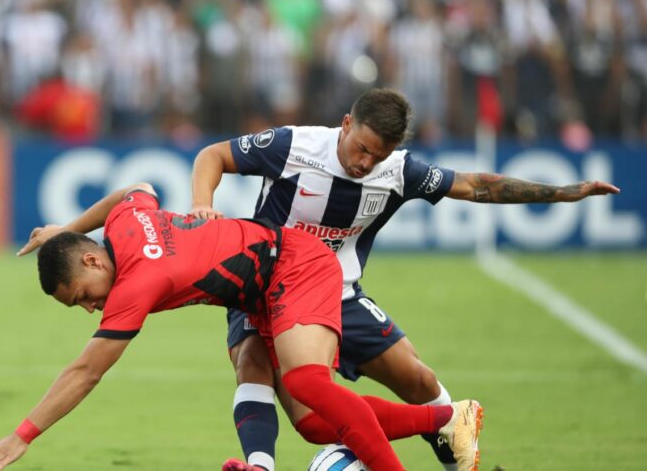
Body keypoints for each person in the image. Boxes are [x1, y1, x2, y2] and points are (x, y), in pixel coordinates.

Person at [190, 89, 620, 471]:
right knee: (259, 367)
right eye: (362, 148)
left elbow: (476, 186)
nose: (365, 163)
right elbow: (213, 156)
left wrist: (561, 192)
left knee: (418, 380)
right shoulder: (294, 146)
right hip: (268, 289)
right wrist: (201, 206)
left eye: (377, 156)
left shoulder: (398, 171)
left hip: (339, 294)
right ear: (346, 124)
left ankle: (454, 442)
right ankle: (259, 466)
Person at [0, 183, 483, 471]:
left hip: (295, 264)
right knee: (313, 424)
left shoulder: (136, 285)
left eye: (81, 297)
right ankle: (445, 418)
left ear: (93, 262)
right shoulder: (124, 224)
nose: (89, 308)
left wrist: (22, 436)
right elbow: (135, 190)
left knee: (306, 382)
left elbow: (86, 372)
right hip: (257, 293)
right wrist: (68, 231)